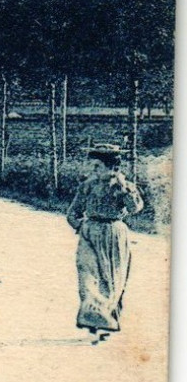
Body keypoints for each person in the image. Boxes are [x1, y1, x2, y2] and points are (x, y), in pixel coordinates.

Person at [65, 143, 145, 344]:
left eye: (97, 166)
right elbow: (72, 212)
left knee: (111, 278)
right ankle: (92, 318)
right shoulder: (87, 186)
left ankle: (105, 320)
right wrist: (81, 226)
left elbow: (135, 208)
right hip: (89, 233)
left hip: (114, 234)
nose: (94, 170)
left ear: (112, 167)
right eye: (93, 166)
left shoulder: (123, 186)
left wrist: (125, 189)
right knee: (87, 275)